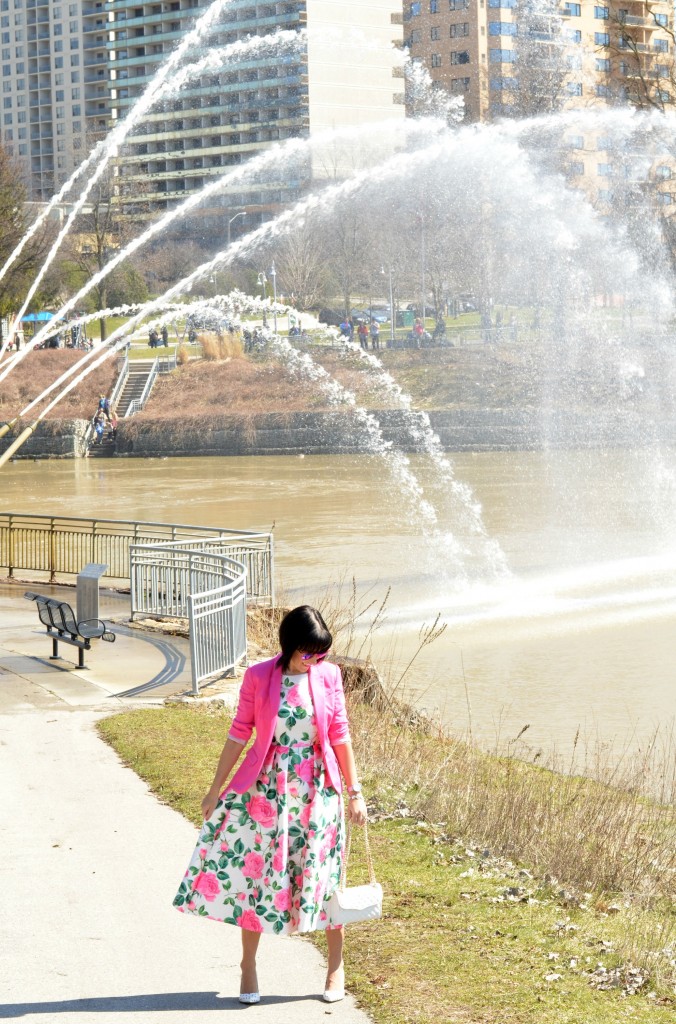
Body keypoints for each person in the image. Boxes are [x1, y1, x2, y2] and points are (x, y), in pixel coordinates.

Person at [173, 605, 368, 1005]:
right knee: (258, 878)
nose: (316, 661)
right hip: (267, 793)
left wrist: (354, 792)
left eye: (322, 653)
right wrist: (215, 790)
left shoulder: (329, 676)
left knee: (327, 879)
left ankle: (335, 968)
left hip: (318, 793)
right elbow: (239, 733)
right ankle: (248, 965)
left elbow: (339, 735)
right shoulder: (260, 676)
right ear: (290, 645)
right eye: (309, 653)